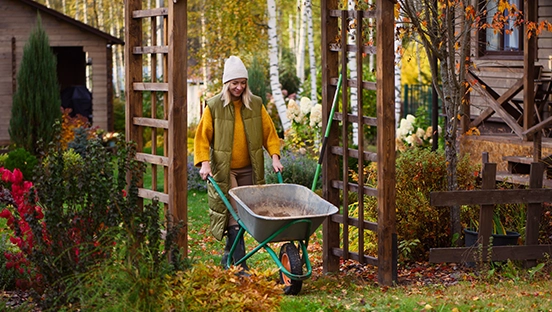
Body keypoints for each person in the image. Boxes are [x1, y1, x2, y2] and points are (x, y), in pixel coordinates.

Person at [194, 55, 284, 273]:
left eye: (243, 83)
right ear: (227, 84)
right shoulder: (214, 106)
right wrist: (204, 163)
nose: (239, 87)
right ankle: (241, 265)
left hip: (249, 168)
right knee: (237, 213)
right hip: (226, 170)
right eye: (235, 83)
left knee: (244, 215)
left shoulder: (255, 104)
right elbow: (202, 137)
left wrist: (274, 156)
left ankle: (228, 257)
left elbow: (269, 133)